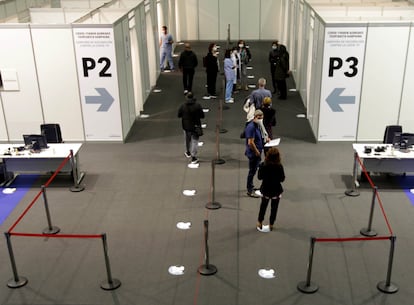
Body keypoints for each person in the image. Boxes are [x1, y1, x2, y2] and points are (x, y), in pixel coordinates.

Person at [257, 147, 285, 231]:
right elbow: (282, 179)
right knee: (274, 208)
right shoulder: (279, 166)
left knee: (263, 206)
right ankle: (271, 224)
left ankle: (260, 222)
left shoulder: (263, 165)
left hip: (266, 189)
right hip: (276, 191)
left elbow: (259, 177)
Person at [177, 92, 205, 164]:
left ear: (186, 97)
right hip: (195, 126)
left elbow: (179, 115)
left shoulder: (183, 106)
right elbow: (202, 115)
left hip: (186, 126)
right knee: (195, 141)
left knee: (187, 139)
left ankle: (188, 152)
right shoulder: (197, 105)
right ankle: (193, 157)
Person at [245, 110, 265, 198]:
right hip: (253, 153)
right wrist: (257, 151)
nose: (260, 119)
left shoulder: (258, 125)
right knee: (252, 171)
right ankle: (249, 190)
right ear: (255, 117)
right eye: (259, 117)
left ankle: (251, 186)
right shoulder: (251, 127)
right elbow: (250, 142)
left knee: (253, 170)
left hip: (257, 152)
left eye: (261, 117)